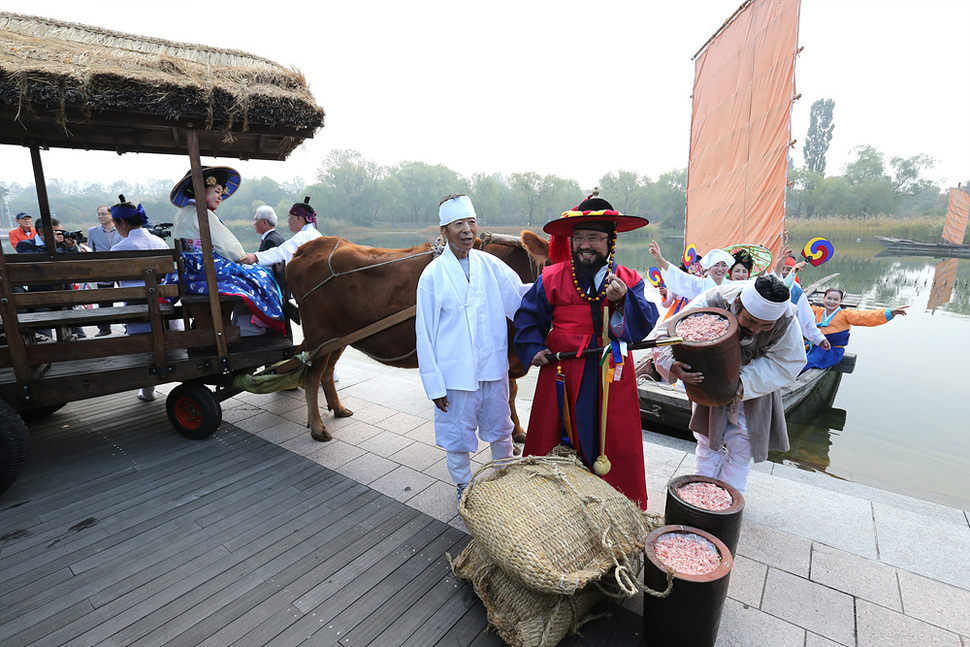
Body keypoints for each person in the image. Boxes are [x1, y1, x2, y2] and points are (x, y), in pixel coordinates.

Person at [514, 195, 659, 510]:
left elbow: (645, 323)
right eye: (578, 238)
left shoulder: (629, 280)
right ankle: (549, 503)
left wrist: (623, 302)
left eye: (593, 237)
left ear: (611, 240)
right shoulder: (552, 276)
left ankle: (614, 504)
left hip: (611, 371)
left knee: (612, 436)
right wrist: (534, 347)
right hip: (562, 370)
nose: (584, 245)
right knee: (553, 433)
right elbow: (527, 316)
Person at [415, 194, 531, 503]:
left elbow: (522, 299)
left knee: (502, 430)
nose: (467, 230)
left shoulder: (490, 265)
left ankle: (504, 482)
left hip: (492, 370)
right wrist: (434, 384)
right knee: (458, 438)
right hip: (455, 376)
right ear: (444, 231)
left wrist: (560, 285)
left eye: (471, 222)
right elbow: (423, 333)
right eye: (458, 224)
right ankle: (464, 488)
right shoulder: (433, 276)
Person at [650, 276, 806, 493]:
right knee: (707, 440)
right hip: (709, 380)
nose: (757, 329)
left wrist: (741, 381)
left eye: (766, 325)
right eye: (750, 321)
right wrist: (670, 363)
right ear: (737, 305)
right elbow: (665, 334)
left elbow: (789, 361)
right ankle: (701, 493)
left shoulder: (787, 317)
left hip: (753, 386)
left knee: (742, 444)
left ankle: (729, 499)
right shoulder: (714, 301)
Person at [167, 166, 284, 336]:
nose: (220, 197)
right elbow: (229, 246)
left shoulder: (182, 213)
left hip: (191, 269)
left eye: (221, 193)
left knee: (248, 273)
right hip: (208, 269)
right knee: (258, 274)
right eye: (216, 191)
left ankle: (241, 320)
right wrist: (243, 257)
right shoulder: (203, 214)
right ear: (201, 189)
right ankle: (244, 322)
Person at [109, 195, 173, 401]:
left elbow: (114, 282)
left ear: (123, 222)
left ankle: (148, 390)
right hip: (165, 305)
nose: (116, 229)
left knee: (142, 346)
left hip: (137, 308)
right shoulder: (160, 242)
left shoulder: (119, 249)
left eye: (115, 224)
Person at [803, 288, 908, 371]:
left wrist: (889, 312)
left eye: (836, 300)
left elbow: (865, 316)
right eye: (829, 298)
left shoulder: (846, 314)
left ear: (841, 301)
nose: (832, 302)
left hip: (831, 351)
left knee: (807, 363)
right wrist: (800, 294)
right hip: (815, 346)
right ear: (824, 299)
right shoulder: (817, 311)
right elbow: (800, 307)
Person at [16, 217, 83, 341]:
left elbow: (76, 263)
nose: (60, 235)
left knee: (79, 335)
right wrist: (50, 245)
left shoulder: (61, 244)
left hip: (64, 295)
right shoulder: (25, 245)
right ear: (41, 232)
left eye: (62, 232)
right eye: (56, 232)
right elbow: (33, 262)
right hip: (40, 298)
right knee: (44, 337)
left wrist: (72, 247)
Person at [239, 197, 323, 267]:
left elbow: (282, 252)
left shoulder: (304, 236)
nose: (288, 221)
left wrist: (255, 257)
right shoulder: (316, 234)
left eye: (289, 217)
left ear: (299, 218)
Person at [649, 240, 737, 301]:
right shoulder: (700, 284)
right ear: (709, 268)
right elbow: (681, 277)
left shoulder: (732, 286)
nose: (720, 269)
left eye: (724, 265)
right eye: (716, 265)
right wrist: (660, 259)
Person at [88, 205, 123, 336]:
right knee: (104, 300)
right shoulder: (92, 231)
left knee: (127, 296)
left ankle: (128, 324)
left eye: (103, 214)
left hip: (121, 268)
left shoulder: (121, 229)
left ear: (111, 215)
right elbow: (92, 250)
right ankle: (104, 328)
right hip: (103, 269)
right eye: (98, 214)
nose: (100, 217)